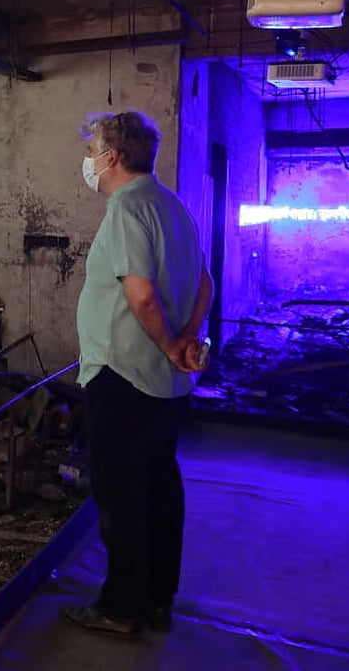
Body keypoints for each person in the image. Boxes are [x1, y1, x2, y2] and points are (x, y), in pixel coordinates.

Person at [63, 111, 214, 637]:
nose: (88, 159)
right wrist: (187, 340)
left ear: (111, 156)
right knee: (159, 486)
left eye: (92, 149)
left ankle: (121, 607)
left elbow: (142, 295)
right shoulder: (172, 205)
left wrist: (172, 343)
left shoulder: (127, 208)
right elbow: (205, 283)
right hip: (164, 384)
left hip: (122, 373)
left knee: (121, 493)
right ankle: (156, 599)